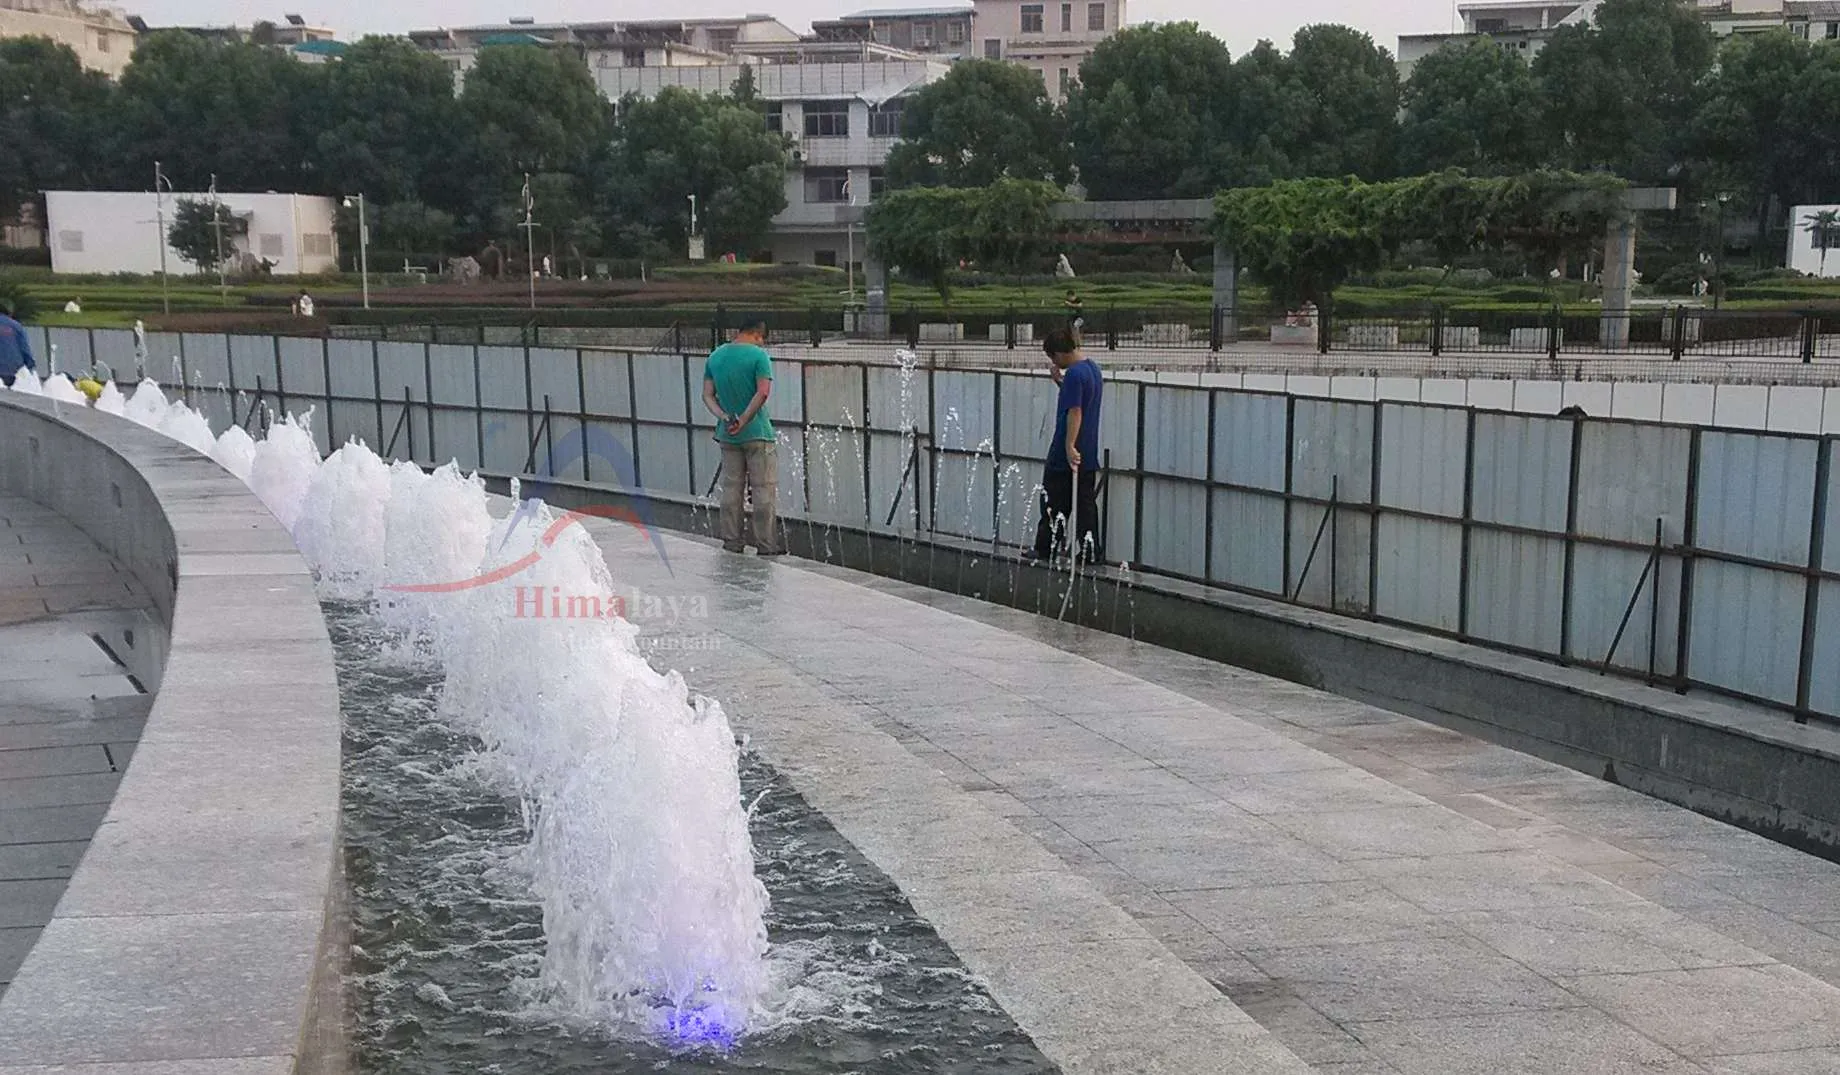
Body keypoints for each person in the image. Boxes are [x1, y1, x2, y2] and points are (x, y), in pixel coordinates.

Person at [702, 314, 782, 556]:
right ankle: (766, 545)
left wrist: (726, 418)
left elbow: (707, 395)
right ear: (758, 333)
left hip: (727, 434)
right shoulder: (759, 356)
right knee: (762, 490)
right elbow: (763, 392)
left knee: (731, 489)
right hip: (757, 432)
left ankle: (732, 542)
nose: (762, 343)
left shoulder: (715, 356)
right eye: (762, 338)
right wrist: (745, 418)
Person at [1030, 328, 1103, 565]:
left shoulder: (1074, 374)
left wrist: (1069, 446)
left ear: (1060, 353)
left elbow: (1075, 411)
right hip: (1089, 451)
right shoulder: (1092, 369)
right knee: (1085, 505)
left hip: (1066, 455)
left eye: (1053, 357)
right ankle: (1091, 551)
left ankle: (1045, 548)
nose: (1054, 362)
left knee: (1053, 501)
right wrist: (1059, 382)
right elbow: (1080, 401)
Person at [0, 303, 36, 388]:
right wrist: (30, 366)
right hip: (13, 371)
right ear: (9, 314)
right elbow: (25, 348)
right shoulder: (16, 326)